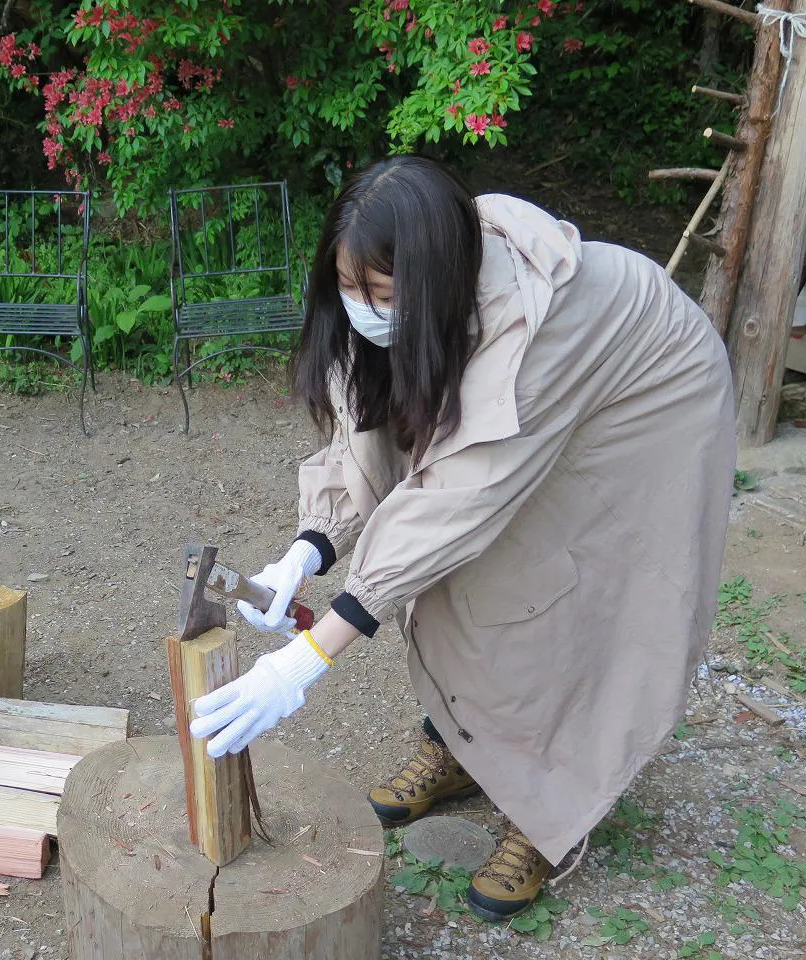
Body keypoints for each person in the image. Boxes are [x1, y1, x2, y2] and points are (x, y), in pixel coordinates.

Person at [189, 157, 734, 921]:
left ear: (436, 284)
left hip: (645, 403)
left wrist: (304, 661)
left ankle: (547, 814)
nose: (364, 310)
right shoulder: (412, 288)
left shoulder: (532, 326)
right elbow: (368, 429)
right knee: (468, 572)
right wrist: (309, 548)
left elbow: (453, 501)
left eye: (381, 296)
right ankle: (458, 743)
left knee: (554, 582)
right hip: (556, 392)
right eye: (350, 289)